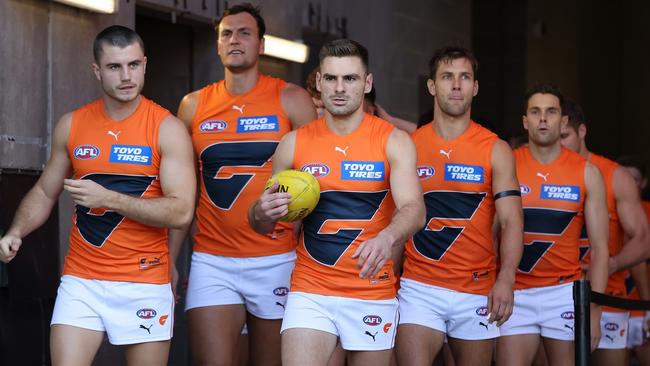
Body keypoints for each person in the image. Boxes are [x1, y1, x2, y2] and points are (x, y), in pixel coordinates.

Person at [0, 25, 195, 365]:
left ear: (145, 65)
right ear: (96, 70)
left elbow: (181, 212)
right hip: (82, 281)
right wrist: (16, 232)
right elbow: (45, 192)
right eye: (114, 67)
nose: (126, 76)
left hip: (144, 280)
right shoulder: (72, 124)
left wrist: (109, 199)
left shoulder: (167, 128)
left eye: (133, 65)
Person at [249, 38, 425, 366]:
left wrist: (387, 238)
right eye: (331, 78)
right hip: (311, 288)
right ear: (319, 82)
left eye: (351, 78)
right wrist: (261, 212)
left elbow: (415, 210)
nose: (340, 88)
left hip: (372, 289)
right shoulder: (292, 144)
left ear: (367, 83)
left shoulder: (394, 141)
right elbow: (262, 222)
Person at [172, 3, 317, 365]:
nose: (234, 40)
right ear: (218, 45)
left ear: (261, 44)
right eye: (227, 34)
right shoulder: (193, 106)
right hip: (211, 260)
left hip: (277, 258)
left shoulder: (292, 99)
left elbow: (318, 180)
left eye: (244, 33)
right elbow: (183, 194)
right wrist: (170, 261)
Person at [395, 46, 524, 366]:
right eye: (447, 76)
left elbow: (511, 222)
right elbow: (393, 216)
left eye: (464, 77)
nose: (456, 85)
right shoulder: (408, 146)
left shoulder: (496, 149)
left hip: (477, 289)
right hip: (419, 287)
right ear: (431, 86)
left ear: (475, 87)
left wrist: (506, 279)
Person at [497, 84, 609, 365]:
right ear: (525, 121)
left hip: (564, 294)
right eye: (535, 112)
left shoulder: (587, 173)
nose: (543, 119)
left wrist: (594, 311)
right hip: (516, 290)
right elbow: (489, 233)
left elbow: (600, 249)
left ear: (563, 121)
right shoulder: (507, 164)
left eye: (551, 112)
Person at [560, 99, 650, 365]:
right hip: (554, 297)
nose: (559, 144)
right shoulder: (544, 173)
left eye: (564, 136)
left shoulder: (615, 177)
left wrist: (612, 263)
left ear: (582, 132)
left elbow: (644, 241)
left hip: (609, 298)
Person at [616, 156, 650, 365]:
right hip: (612, 306)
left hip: (642, 306)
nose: (628, 182)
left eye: (634, 179)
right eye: (624, 177)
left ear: (643, 182)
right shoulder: (603, 207)